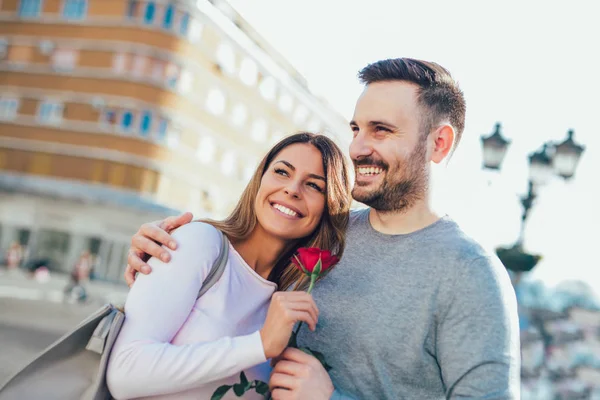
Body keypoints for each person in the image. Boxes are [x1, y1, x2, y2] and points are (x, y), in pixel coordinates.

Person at [124, 58, 520, 399]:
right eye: (356, 129)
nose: (358, 148)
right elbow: (238, 276)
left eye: (380, 130)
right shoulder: (327, 234)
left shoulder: (470, 273)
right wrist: (161, 253)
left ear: (439, 144)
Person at [106, 133, 352, 399]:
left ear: (328, 207)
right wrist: (259, 345)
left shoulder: (294, 300)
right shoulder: (200, 242)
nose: (292, 189)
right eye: (282, 172)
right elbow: (124, 372)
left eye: (314, 186)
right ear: (260, 179)